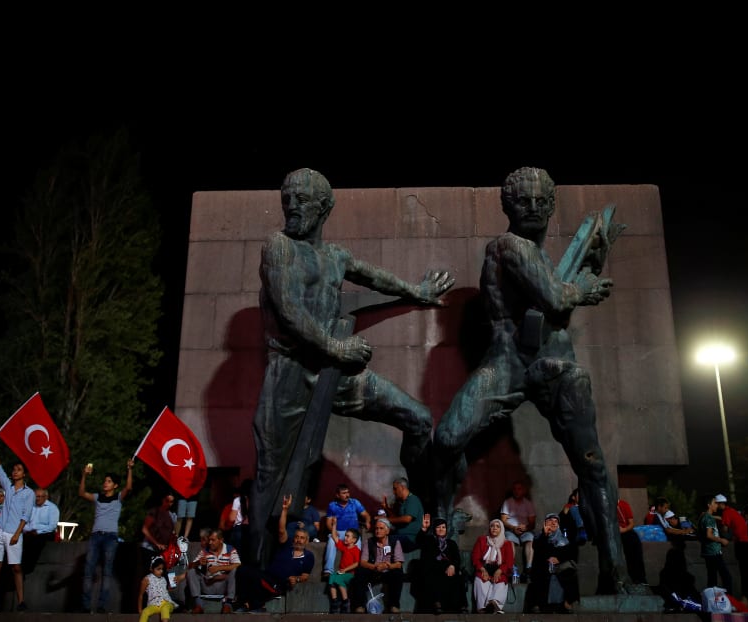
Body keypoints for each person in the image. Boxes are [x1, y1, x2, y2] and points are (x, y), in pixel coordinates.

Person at [433, 166, 627, 592]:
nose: (534, 208)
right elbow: (557, 298)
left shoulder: (542, 258)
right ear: (508, 206)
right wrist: (581, 290)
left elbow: (557, 298)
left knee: (592, 463)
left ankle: (617, 572)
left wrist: (592, 262)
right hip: (506, 361)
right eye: (524, 201)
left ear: (552, 207)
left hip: (553, 362)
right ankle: (442, 527)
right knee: (446, 438)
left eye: (542, 201)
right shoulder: (507, 246)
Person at [249, 167, 454, 564]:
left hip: (334, 372)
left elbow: (373, 276)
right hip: (291, 372)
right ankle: (257, 573)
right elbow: (289, 308)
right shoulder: (278, 246)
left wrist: (417, 291)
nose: (291, 206)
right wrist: (335, 345)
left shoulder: (335, 256)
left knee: (417, 417)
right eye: (286, 198)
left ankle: (423, 511)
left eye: (301, 199)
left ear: (325, 208)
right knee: (270, 474)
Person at [0, 434, 35, 613]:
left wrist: (18, 533)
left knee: (16, 567)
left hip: (14, 532)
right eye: (14, 469)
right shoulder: (8, 488)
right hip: (0, 530)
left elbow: (26, 515)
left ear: (24, 473)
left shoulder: (29, 493)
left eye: (18, 469)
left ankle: (21, 602)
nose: (15, 471)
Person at [234, 494, 315, 613]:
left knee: (257, 580)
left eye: (302, 538)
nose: (298, 540)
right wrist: (285, 510)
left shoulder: (308, 556)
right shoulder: (287, 546)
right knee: (243, 570)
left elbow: (305, 576)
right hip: (267, 576)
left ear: (307, 541)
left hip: (279, 584)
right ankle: (246, 604)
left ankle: (252, 605)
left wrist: (296, 579)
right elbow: (282, 530)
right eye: (297, 537)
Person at [79, 459, 134, 614]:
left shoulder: (117, 498)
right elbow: (82, 493)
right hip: (96, 536)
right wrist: (84, 475)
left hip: (110, 537)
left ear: (115, 485)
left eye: (109, 482)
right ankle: (86, 605)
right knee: (88, 571)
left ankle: (102, 605)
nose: (105, 483)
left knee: (107, 571)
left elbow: (128, 487)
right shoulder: (97, 497)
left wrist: (129, 469)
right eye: (105, 481)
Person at [524, 513, 579, 614]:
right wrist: (545, 535)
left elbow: (569, 553)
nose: (553, 523)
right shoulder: (538, 538)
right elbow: (539, 551)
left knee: (569, 572)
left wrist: (559, 559)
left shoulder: (563, 540)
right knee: (539, 572)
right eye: (550, 520)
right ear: (545, 523)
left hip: (559, 567)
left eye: (555, 521)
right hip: (543, 567)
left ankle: (567, 604)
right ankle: (538, 605)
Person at [413, 514, 467, 614]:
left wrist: (452, 566)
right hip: (433, 569)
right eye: (438, 527)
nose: (441, 529)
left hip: (449, 570)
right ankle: (437, 603)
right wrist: (424, 528)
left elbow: (457, 559)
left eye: (443, 527)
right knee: (433, 576)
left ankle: (461, 606)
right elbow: (419, 541)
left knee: (458, 578)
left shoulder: (451, 543)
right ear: (434, 529)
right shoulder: (429, 541)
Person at [350, 517, 405, 613]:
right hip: (373, 570)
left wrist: (388, 566)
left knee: (398, 573)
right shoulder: (369, 542)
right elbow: (363, 562)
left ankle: (394, 606)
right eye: (376, 528)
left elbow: (398, 563)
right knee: (360, 572)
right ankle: (360, 606)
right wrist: (374, 567)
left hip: (388, 571)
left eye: (381, 528)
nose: (377, 531)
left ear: (387, 531)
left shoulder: (395, 542)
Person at [186, 527, 240, 614]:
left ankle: (228, 604)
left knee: (235, 571)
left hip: (223, 585)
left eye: (213, 540)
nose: (210, 542)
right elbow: (190, 566)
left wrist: (218, 568)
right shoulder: (205, 551)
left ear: (221, 540)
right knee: (191, 572)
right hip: (208, 584)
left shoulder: (230, 550)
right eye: (209, 540)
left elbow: (238, 564)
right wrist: (198, 563)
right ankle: (198, 605)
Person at [716, 493, 748, 606]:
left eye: (717, 504)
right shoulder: (731, 511)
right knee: (747, 573)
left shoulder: (726, 513)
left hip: (742, 545)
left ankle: (746, 599)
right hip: (746, 544)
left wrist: (720, 538)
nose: (716, 506)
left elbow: (725, 528)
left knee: (745, 573)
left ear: (721, 504)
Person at [323, 484, 369, 577]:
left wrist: (367, 521)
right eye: (344, 493)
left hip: (353, 533)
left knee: (357, 548)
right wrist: (333, 530)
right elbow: (328, 522)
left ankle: (357, 571)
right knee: (331, 540)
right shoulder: (332, 505)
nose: (347, 495)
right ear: (337, 495)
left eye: (348, 492)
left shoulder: (355, 502)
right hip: (338, 532)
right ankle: (328, 570)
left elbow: (366, 515)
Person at [472, 518, 514, 614]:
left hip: (499, 569)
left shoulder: (507, 544)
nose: (494, 528)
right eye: (492, 526)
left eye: (497, 526)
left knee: (501, 580)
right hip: (484, 567)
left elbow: (509, 562)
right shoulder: (482, 540)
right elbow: (475, 558)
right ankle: (483, 608)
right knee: (480, 579)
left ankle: (494, 603)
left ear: (501, 529)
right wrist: (483, 570)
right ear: (489, 528)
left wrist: (499, 571)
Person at [499, 480, 536, 581]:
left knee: (530, 539)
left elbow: (532, 523)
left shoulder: (528, 504)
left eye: (519, 489)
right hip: (511, 530)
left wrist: (525, 527)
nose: (517, 491)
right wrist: (513, 528)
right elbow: (503, 520)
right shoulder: (507, 502)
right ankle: (512, 567)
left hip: (525, 530)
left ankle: (528, 568)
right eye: (515, 489)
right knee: (509, 541)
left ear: (523, 490)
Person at [698, 494, 732, 595]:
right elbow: (709, 535)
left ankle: (712, 603)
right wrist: (721, 540)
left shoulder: (703, 517)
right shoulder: (709, 518)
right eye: (715, 503)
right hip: (714, 552)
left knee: (712, 579)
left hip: (707, 552)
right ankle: (730, 601)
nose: (717, 505)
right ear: (709, 505)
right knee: (726, 577)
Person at [21, 488, 60, 575]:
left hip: (45, 533)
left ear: (45, 497)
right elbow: (25, 522)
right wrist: (28, 530)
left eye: (39, 496)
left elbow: (52, 526)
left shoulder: (52, 508)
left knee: (36, 541)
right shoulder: (31, 507)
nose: (37, 499)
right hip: (30, 532)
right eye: (35, 497)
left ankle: (27, 568)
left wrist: (38, 531)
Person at [381, 477, 424, 553]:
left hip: (409, 538)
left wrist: (385, 519)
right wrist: (386, 508)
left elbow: (407, 519)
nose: (394, 492)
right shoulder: (404, 502)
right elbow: (396, 519)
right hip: (401, 537)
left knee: (384, 542)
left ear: (402, 487)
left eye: (395, 489)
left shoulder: (413, 499)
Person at [327, 518, 360, 613]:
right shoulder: (344, 547)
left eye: (348, 536)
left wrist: (345, 569)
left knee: (339, 579)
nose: (345, 537)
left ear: (354, 540)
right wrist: (334, 525)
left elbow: (357, 563)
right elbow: (334, 536)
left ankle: (346, 601)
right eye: (345, 535)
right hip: (342, 572)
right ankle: (334, 601)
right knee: (332, 577)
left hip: (351, 574)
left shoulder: (356, 550)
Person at [616, 498, 647, 584]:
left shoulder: (623, 504)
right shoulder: (606, 505)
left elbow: (631, 523)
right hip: (614, 533)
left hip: (626, 531)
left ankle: (640, 578)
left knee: (634, 545)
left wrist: (624, 529)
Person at [138, 556, 176, 622]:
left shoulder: (163, 579)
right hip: (154, 604)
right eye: (158, 569)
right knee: (145, 612)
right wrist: (140, 610)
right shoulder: (146, 579)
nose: (161, 571)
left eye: (162, 569)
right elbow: (141, 595)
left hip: (167, 603)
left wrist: (172, 587)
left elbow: (164, 592)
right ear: (151, 569)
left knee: (165, 609)